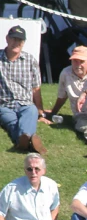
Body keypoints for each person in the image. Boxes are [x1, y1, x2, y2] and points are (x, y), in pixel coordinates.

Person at [0, 26, 48, 155]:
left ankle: (23, 141)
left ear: (23, 43)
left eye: (20, 41)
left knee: (30, 112)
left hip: (26, 104)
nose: (16, 43)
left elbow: (36, 88)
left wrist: (40, 112)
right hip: (4, 104)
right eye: (14, 39)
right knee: (11, 123)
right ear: (7, 39)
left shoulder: (30, 60)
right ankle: (30, 141)